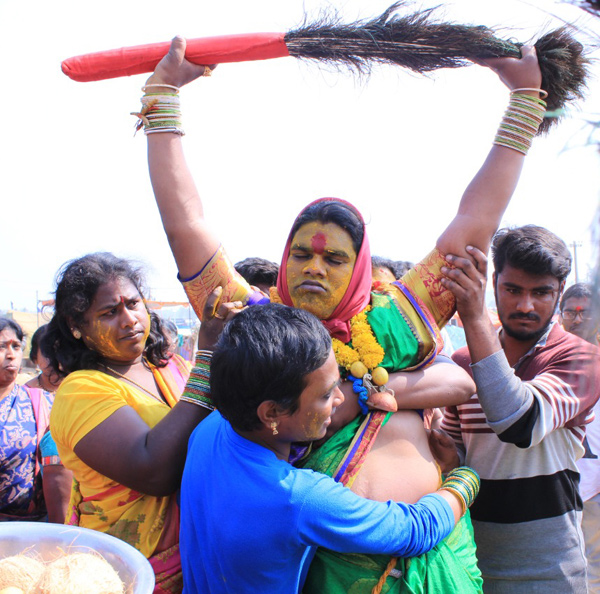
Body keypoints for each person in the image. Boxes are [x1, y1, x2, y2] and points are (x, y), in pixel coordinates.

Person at [137, 36, 545, 591]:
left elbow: (473, 221)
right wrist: (163, 101)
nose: (314, 268)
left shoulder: (393, 321)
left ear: (359, 268)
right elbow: (186, 224)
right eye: (301, 254)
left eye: (335, 259)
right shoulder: (255, 329)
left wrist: (524, 101)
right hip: (335, 572)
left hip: (442, 561)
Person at [180, 303, 480, 594]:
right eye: (325, 394)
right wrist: (463, 478)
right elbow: (415, 531)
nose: (342, 398)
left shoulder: (210, 428)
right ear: (271, 413)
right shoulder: (295, 498)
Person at [43, 252, 241, 593]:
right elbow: (153, 471)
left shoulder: (171, 365)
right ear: (76, 328)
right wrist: (208, 358)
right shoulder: (81, 391)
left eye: (133, 304)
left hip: (201, 556)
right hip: (127, 569)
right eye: (109, 312)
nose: (129, 319)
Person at [441, 225, 600, 592]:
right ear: (494, 282)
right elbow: (453, 454)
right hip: (468, 565)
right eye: (513, 290)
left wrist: (475, 317)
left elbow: (519, 423)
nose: (525, 305)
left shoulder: (581, 360)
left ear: (559, 291)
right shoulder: (463, 364)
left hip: (548, 572)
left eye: (541, 292)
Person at [561, 282, 600, 593]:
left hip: (595, 491)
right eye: (568, 312)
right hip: (556, 491)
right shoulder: (547, 363)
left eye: (582, 313)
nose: (575, 319)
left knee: (595, 570)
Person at [0, 318, 54, 522]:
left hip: (35, 526)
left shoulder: (39, 401)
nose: (11, 354)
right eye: (2, 346)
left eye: (16, 346)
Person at [23, 324, 72, 523]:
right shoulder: (26, 394)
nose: (54, 358)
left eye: (59, 349)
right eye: (47, 352)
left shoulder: (79, 389)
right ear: (35, 358)